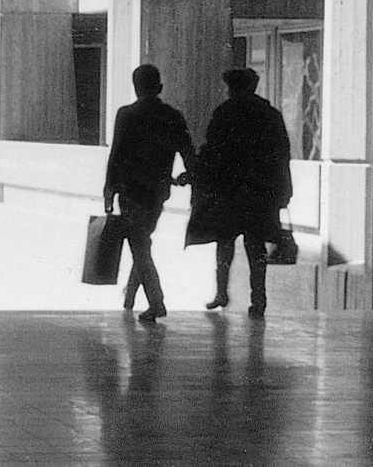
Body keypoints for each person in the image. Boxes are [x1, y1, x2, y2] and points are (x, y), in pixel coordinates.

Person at [187, 67, 293, 318]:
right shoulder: (270, 115)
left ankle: (221, 292)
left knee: (225, 242)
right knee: (256, 246)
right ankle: (258, 299)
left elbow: (212, 150)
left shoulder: (225, 113)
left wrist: (197, 175)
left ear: (232, 88)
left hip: (229, 190)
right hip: (260, 192)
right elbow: (282, 155)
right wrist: (284, 189)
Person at [102, 63, 196, 322]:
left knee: (139, 243)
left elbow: (116, 155)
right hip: (157, 192)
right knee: (142, 240)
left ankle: (156, 302)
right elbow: (188, 151)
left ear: (135, 87)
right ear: (160, 87)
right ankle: (131, 296)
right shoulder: (172, 116)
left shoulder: (126, 115)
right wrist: (188, 176)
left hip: (130, 191)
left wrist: (109, 190)